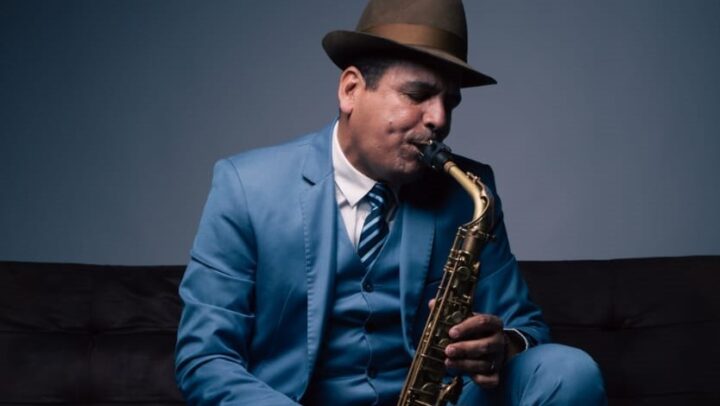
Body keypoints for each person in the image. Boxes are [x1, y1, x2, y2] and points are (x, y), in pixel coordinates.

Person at [175, 0, 607, 404]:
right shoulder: (247, 187)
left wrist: (503, 345)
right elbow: (205, 359)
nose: (439, 119)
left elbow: (527, 326)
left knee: (567, 370)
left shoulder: (470, 193)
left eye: (449, 102)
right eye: (417, 95)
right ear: (350, 90)